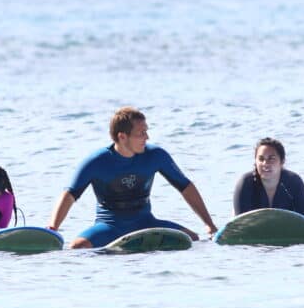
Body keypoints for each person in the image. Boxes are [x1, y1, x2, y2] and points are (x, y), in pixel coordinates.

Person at [47, 106, 218, 249]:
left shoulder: (155, 156)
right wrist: (53, 228)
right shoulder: (96, 162)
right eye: (141, 133)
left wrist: (209, 225)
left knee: (192, 240)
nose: (147, 137)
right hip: (110, 227)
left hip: (146, 223)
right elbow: (69, 195)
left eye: (146, 131)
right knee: (77, 248)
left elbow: (185, 187)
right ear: (122, 137)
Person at [232, 137, 304, 220]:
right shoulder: (245, 183)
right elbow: (239, 225)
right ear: (255, 161)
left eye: (271, 158)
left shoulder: (294, 182)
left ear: (282, 161)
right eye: (261, 159)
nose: (265, 163)